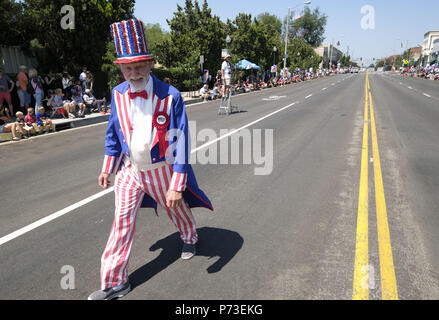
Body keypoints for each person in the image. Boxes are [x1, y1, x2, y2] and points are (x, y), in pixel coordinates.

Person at [88, 19, 213, 301]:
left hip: (161, 169)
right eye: (127, 68)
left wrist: (177, 183)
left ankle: (190, 236)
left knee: (176, 207)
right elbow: (113, 133)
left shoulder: (171, 96)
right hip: (130, 170)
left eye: (138, 66)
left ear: (149, 64)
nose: (133, 73)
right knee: (122, 222)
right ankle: (115, 282)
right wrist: (108, 167)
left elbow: (181, 140)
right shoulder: (117, 94)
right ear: (120, 68)